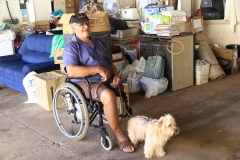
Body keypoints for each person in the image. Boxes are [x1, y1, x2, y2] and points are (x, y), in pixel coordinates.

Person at [62, 13, 135, 153]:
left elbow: (110, 63)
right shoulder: (72, 47)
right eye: (81, 24)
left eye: (87, 23)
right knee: (108, 95)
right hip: (85, 82)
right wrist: (97, 69)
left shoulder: (98, 43)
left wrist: (115, 75)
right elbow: (71, 71)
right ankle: (118, 134)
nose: (85, 27)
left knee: (119, 86)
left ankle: (121, 118)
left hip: (105, 79)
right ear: (73, 27)